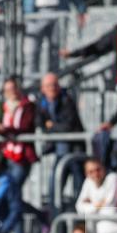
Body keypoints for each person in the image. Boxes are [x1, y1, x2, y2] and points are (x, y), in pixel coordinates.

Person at [37, 72, 85, 200]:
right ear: (43, 89)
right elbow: (40, 124)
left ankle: (79, 219)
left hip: (75, 149)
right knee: (54, 188)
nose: (52, 88)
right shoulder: (41, 104)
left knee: (79, 188)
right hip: (60, 150)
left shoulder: (66, 100)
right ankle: (55, 218)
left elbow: (67, 127)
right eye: (48, 86)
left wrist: (51, 126)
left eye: (54, 85)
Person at [19, 0, 86, 77]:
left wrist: (80, 8)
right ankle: (32, 85)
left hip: (59, 10)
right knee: (32, 52)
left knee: (56, 53)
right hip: (34, 12)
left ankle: (54, 84)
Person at [0, 77, 37, 191]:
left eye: (13, 88)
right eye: (7, 90)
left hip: (22, 155)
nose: (11, 92)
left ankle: (36, 210)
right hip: (6, 154)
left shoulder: (28, 106)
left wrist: (3, 129)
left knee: (12, 189)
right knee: (7, 192)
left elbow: (25, 127)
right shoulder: (3, 108)